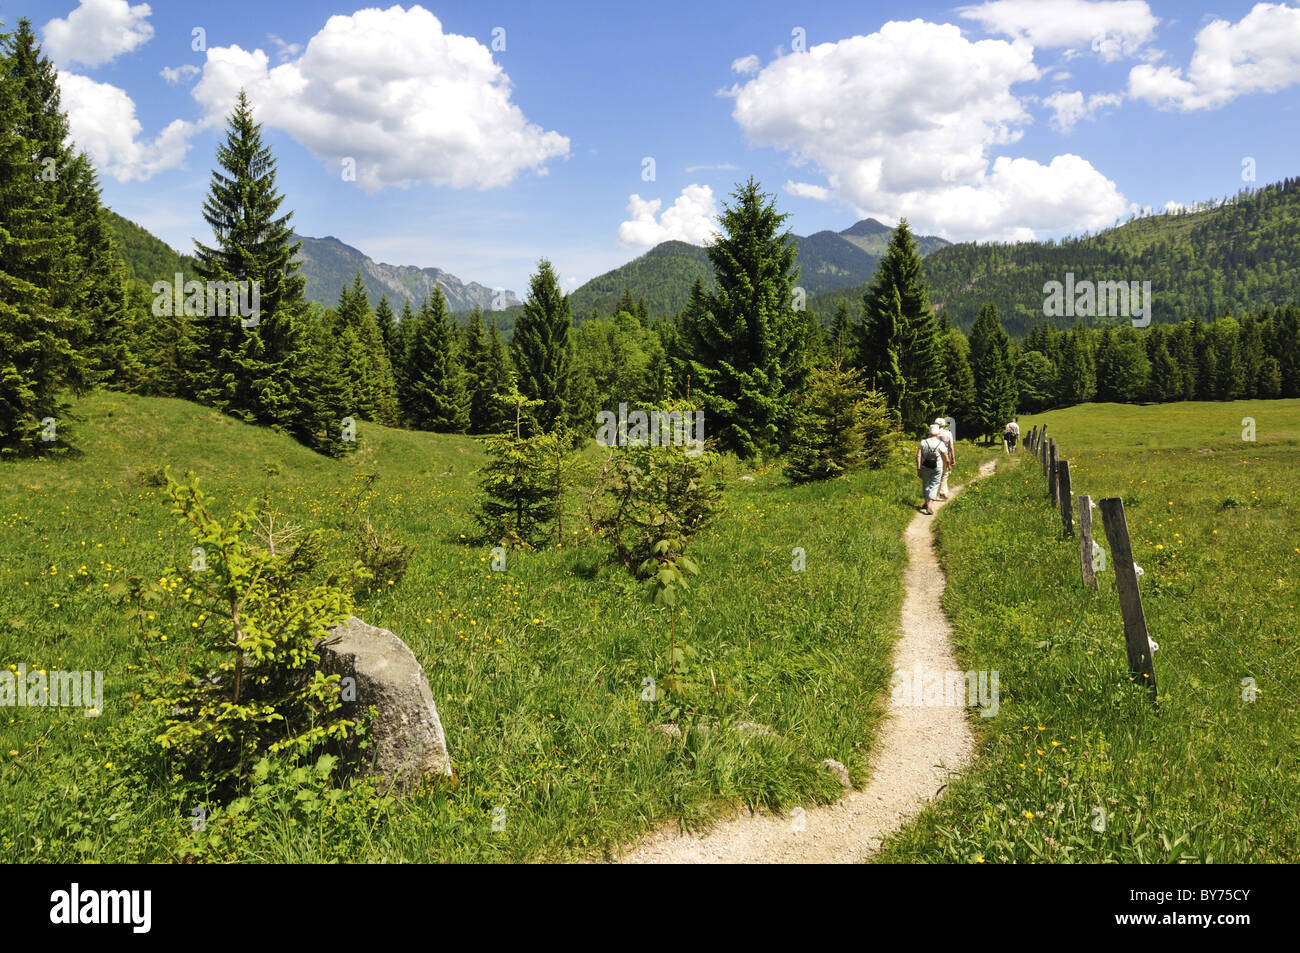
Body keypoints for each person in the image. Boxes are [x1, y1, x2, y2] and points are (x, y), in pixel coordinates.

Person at [916, 424, 952, 515]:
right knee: (934, 485)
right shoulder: (940, 443)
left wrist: (918, 468)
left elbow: (918, 456)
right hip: (937, 467)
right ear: (938, 433)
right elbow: (946, 458)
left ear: (929, 432)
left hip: (925, 467)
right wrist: (948, 465)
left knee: (926, 484)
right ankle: (930, 505)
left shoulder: (923, 442)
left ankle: (926, 502)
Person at [934, 417, 955, 499]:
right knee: (944, 474)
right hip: (945, 455)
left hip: (934, 455)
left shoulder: (933, 433)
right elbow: (951, 447)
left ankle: (932, 493)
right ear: (943, 425)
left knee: (935, 474)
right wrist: (953, 458)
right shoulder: (948, 433)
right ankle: (942, 492)